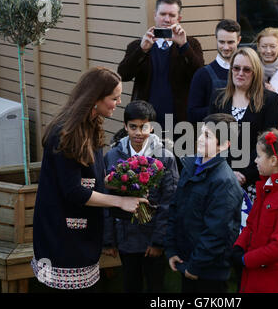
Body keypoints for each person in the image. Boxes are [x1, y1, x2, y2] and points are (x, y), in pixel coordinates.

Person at [31, 67, 146, 292]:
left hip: (83, 236)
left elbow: (93, 178)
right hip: (61, 239)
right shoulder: (65, 133)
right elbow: (73, 191)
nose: (118, 102)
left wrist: (127, 185)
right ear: (95, 99)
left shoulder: (90, 126)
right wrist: (120, 202)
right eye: (114, 98)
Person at [102, 100, 179, 293]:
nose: (138, 132)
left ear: (151, 127)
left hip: (153, 236)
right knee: (130, 284)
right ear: (125, 126)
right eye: (133, 127)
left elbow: (170, 201)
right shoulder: (112, 156)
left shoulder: (165, 157)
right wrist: (109, 240)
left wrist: (158, 242)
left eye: (144, 126)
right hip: (126, 237)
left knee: (155, 285)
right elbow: (106, 197)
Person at [165, 113, 244, 293]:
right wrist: (172, 249)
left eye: (207, 136)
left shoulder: (225, 183)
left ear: (224, 145)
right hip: (185, 261)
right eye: (201, 132)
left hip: (208, 272)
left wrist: (196, 266)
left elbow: (217, 232)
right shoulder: (190, 166)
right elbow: (176, 208)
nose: (200, 139)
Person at [233, 129, 278, 293]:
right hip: (254, 276)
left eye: (259, 156)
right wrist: (238, 247)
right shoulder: (267, 187)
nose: (255, 160)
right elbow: (251, 224)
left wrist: (245, 260)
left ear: (274, 160)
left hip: (275, 281)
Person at [117, 0, 204, 128]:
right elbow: (123, 74)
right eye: (163, 14)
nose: (167, 19)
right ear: (155, 15)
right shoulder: (138, 45)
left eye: (172, 15)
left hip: (180, 122)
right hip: (145, 121)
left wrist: (184, 46)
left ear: (179, 18)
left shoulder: (191, 44)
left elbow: (199, 75)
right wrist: (142, 50)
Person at [209, 47, 278, 191]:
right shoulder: (218, 97)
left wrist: (244, 174)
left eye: (247, 69)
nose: (240, 73)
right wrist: (227, 171)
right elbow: (210, 139)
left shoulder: (270, 100)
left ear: (255, 73)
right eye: (236, 68)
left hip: (254, 178)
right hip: (220, 176)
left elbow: (267, 143)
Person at [187, 19, 241, 123]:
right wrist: (225, 109)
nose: (226, 47)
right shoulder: (202, 75)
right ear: (216, 39)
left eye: (230, 42)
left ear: (238, 40)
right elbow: (192, 114)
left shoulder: (248, 72)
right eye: (221, 42)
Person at [256, 27, 278, 107]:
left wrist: (275, 97)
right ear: (258, 47)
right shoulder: (250, 73)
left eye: (272, 46)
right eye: (264, 46)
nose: (268, 51)